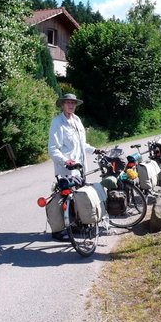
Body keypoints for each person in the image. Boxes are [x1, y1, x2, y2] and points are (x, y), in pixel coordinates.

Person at [48, 93, 100, 240]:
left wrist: (94, 149)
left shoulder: (77, 120)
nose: (71, 105)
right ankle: (58, 231)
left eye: (73, 103)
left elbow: (81, 144)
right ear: (62, 104)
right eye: (68, 102)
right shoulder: (57, 123)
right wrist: (66, 161)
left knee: (78, 199)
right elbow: (53, 149)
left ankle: (78, 226)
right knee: (65, 200)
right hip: (66, 169)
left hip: (80, 168)